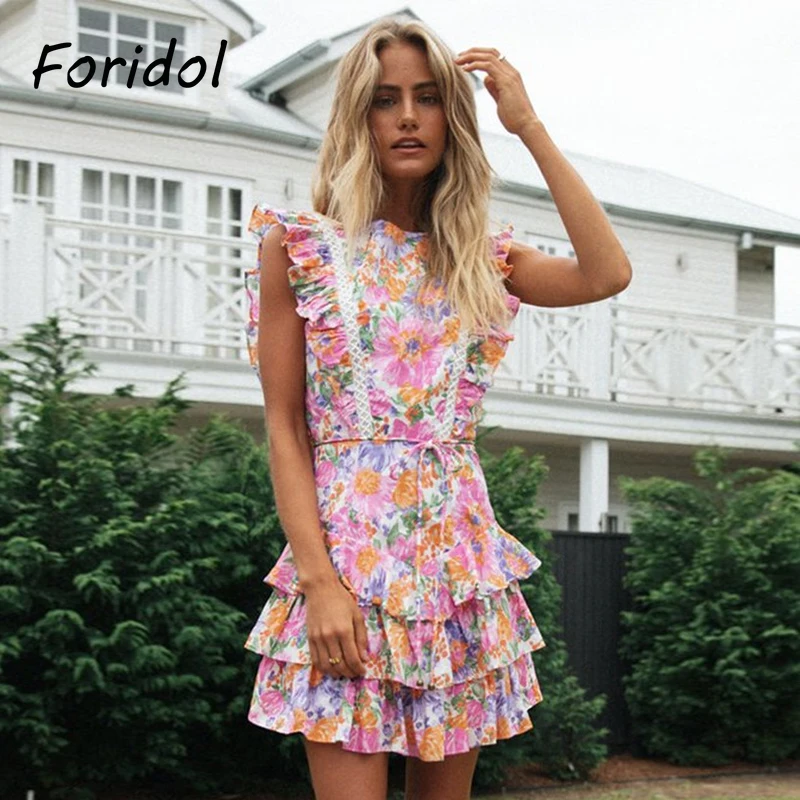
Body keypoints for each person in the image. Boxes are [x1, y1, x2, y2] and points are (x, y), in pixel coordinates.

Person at [242, 17, 631, 800]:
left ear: (453, 119)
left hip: (457, 580)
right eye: (386, 100)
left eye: (428, 99)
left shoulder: (483, 260)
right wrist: (319, 583)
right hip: (346, 576)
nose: (409, 117)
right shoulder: (301, 248)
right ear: (359, 116)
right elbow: (285, 428)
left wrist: (527, 125)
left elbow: (606, 272)